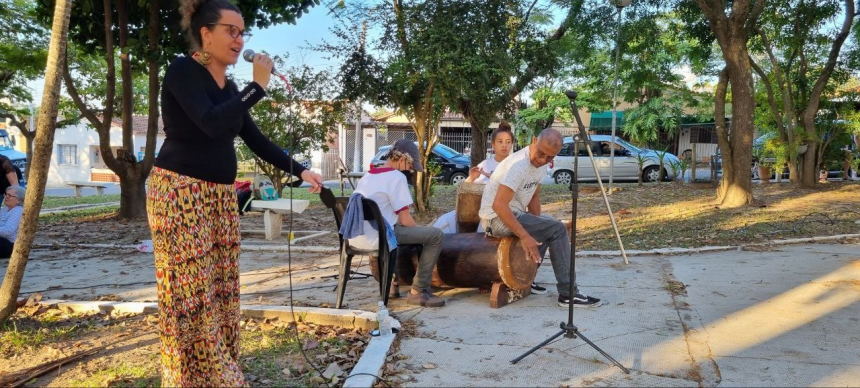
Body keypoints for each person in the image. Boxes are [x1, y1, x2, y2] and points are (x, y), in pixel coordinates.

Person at [145, 1, 324, 386]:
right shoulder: (183, 71)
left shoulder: (229, 88)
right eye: (231, 30)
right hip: (181, 194)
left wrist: (302, 169)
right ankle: (193, 377)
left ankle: (219, 369)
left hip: (219, 198)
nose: (240, 40)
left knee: (221, 289)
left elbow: (255, 140)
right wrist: (257, 87)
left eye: (243, 32)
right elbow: (210, 124)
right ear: (205, 33)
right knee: (190, 291)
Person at [479, 128, 601, 308]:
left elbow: (534, 196)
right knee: (557, 228)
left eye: (550, 157)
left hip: (513, 213)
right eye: (541, 153)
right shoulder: (518, 165)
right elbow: (499, 205)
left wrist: (539, 226)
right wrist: (525, 235)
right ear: (535, 140)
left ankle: (527, 276)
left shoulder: (541, 164)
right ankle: (568, 294)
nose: (543, 160)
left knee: (549, 226)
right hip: (495, 219)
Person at [352, 139, 446, 307]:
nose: (410, 170)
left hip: (356, 237)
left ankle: (392, 284)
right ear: (402, 160)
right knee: (435, 235)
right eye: (410, 166)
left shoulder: (368, 175)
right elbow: (405, 220)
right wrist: (419, 232)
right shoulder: (396, 177)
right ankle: (418, 291)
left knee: (402, 231)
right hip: (380, 236)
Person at [0, 186, 24, 259]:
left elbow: (8, 231)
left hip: (10, 245)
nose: (6, 197)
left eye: (9, 195)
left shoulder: (18, 211)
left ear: (18, 200)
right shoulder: (5, 209)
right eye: (6, 194)